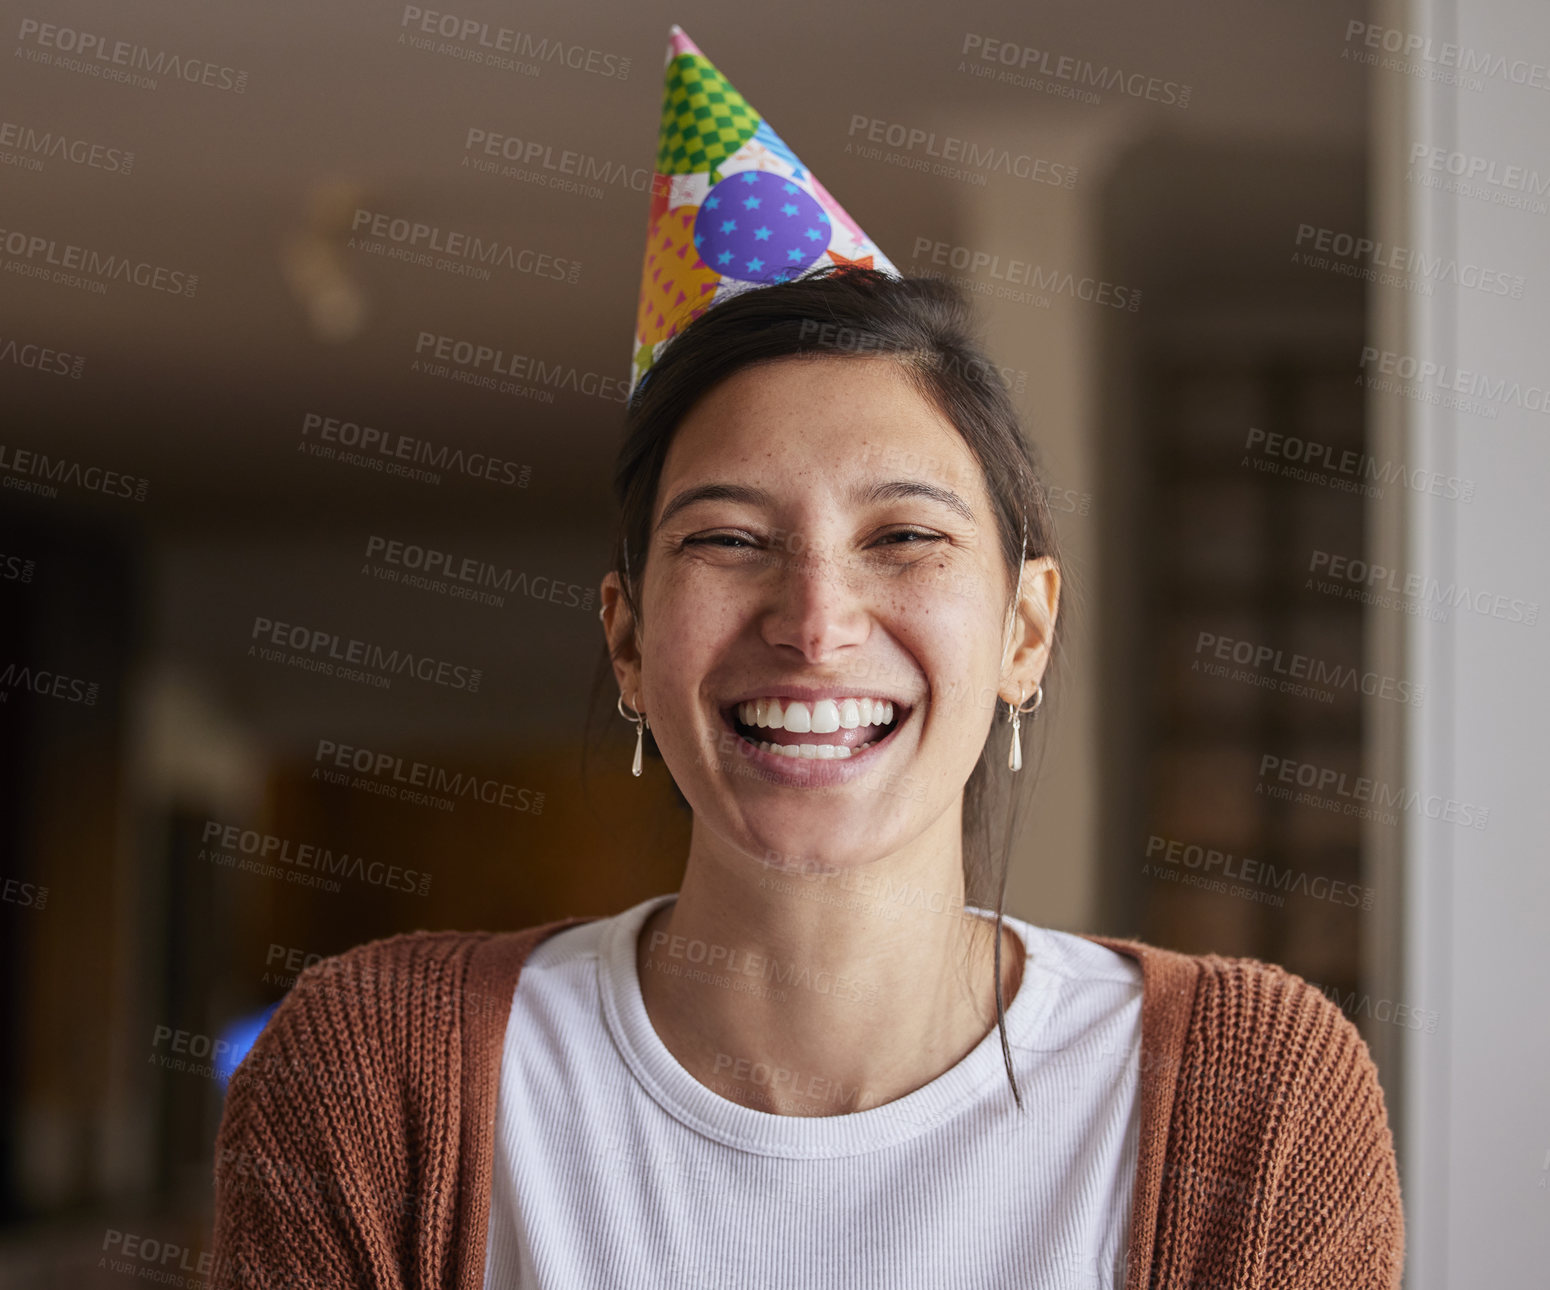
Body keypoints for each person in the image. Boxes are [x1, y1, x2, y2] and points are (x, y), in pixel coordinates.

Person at [209, 267, 1404, 1289]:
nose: (816, 623)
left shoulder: (1254, 1093)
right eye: (728, 540)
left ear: (1024, 632)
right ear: (627, 639)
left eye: (903, 538)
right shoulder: (376, 1071)